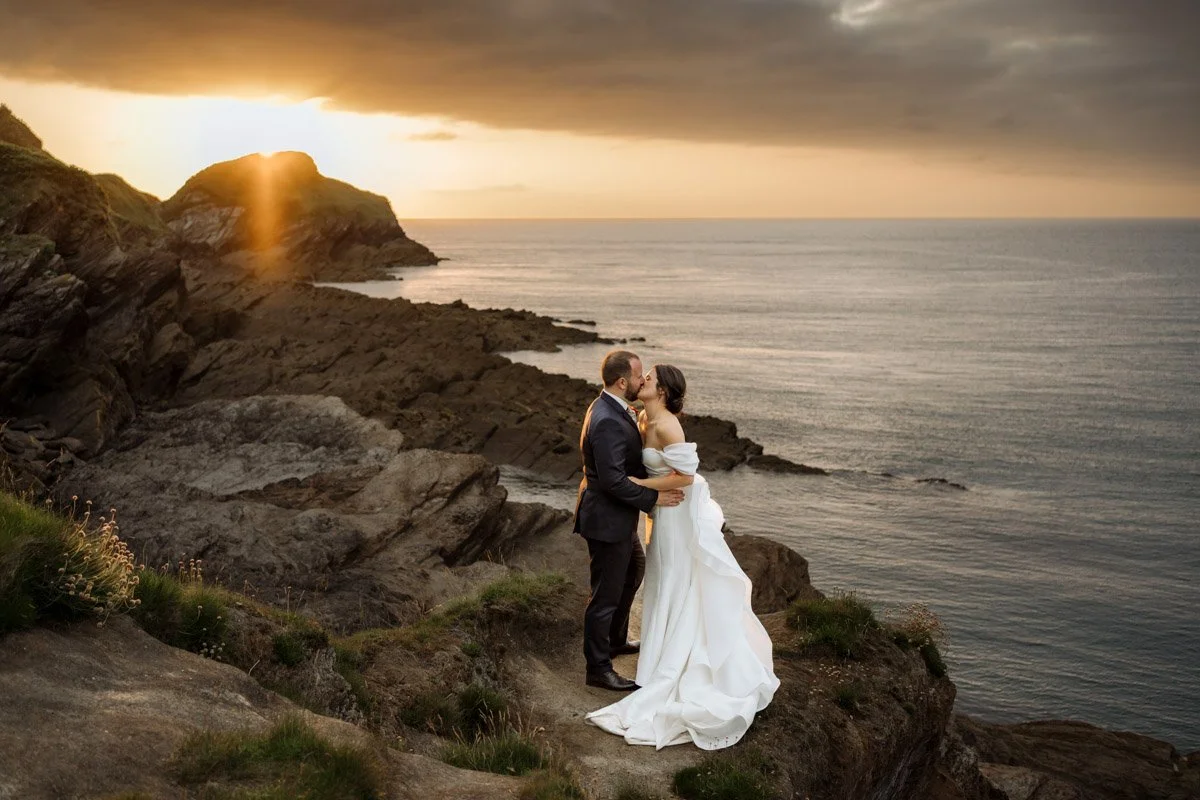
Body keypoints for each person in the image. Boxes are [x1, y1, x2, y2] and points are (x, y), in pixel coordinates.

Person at [585, 364, 779, 749]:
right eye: (643, 376)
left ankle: (668, 655)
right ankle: (651, 652)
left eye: (651, 379)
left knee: (673, 577)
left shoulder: (669, 426)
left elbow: (685, 478)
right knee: (658, 576)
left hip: (675, 512)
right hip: (660, 511)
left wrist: (640, 485)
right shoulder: (641, 416)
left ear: (662, 391)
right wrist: (643, 492)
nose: (644, 381)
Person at [575, 350, 685, 692]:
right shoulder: (607, 418)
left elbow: (628, 464)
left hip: (616, 517)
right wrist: (654, 498)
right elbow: (612, 480)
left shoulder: (616, 408)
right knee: (604, 596)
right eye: (639, 376)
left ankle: (615, 639)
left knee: (633, 571)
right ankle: (598, 668)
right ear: (623, 381)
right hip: (606, 519)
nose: (643, 381)